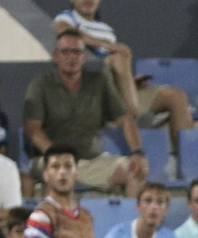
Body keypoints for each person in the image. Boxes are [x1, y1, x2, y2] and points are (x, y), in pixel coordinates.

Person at [55, 0, 194, 148]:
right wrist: (110, 46)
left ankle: (184, 157)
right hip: (94, 94)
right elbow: (67, 33)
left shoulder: (106, 30)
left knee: (176, 97)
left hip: (119, 91)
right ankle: (131, 113)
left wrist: (132, 81)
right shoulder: (66, 18)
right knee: (119, 57)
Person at [24, 32, 148, 198]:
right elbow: (32, 129)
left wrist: (137, 153)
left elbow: (125, 119)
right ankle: (54, 213)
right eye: (66, 52)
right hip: (52, 158)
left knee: (135, 171)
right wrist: (56, 154)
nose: (72, 57)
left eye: (77, 52)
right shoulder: (40, 84)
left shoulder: (99, 81)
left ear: (84, 57)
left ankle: (130, 215)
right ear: (56, 56)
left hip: (93, 161)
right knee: (55, 172)